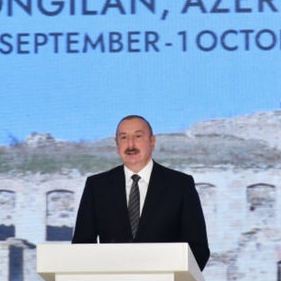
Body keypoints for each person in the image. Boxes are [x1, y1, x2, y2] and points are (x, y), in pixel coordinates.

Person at [71, 115, 210, 271]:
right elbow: (81, 246)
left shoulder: (180, 185)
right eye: (124, 138)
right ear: (117, 144)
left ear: (152, 142)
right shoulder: (96, 186)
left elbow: (198, 249)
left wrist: (172, 277)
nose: (130, 145)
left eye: (138, 136)